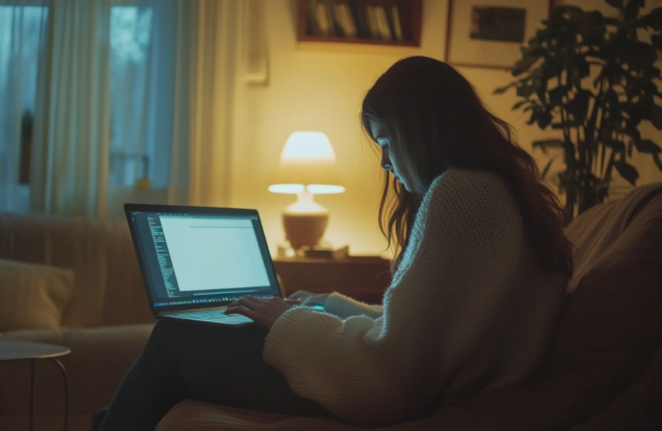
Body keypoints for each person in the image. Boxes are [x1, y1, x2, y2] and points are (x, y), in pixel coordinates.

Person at [96, 56, 572, 430]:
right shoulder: (500, 192)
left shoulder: (459, 194)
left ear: (419, 129)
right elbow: (425, 340)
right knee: (175, 362)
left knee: (174, 337)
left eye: (386, 142)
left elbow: (388, 378)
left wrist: (289, 319)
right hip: (431, 392)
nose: (385, 162)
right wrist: (332, 305)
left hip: (399, 403)